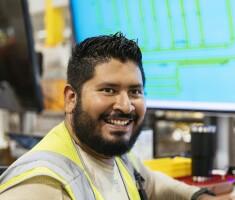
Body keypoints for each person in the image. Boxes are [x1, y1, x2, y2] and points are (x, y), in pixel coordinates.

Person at [0, 32, 217, 200]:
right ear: (71, 98)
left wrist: (198, 196)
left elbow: (152, 183)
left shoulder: (115, 155)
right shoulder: (42, 186)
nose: (126, 106)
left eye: (135, 91)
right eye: (108, 90)